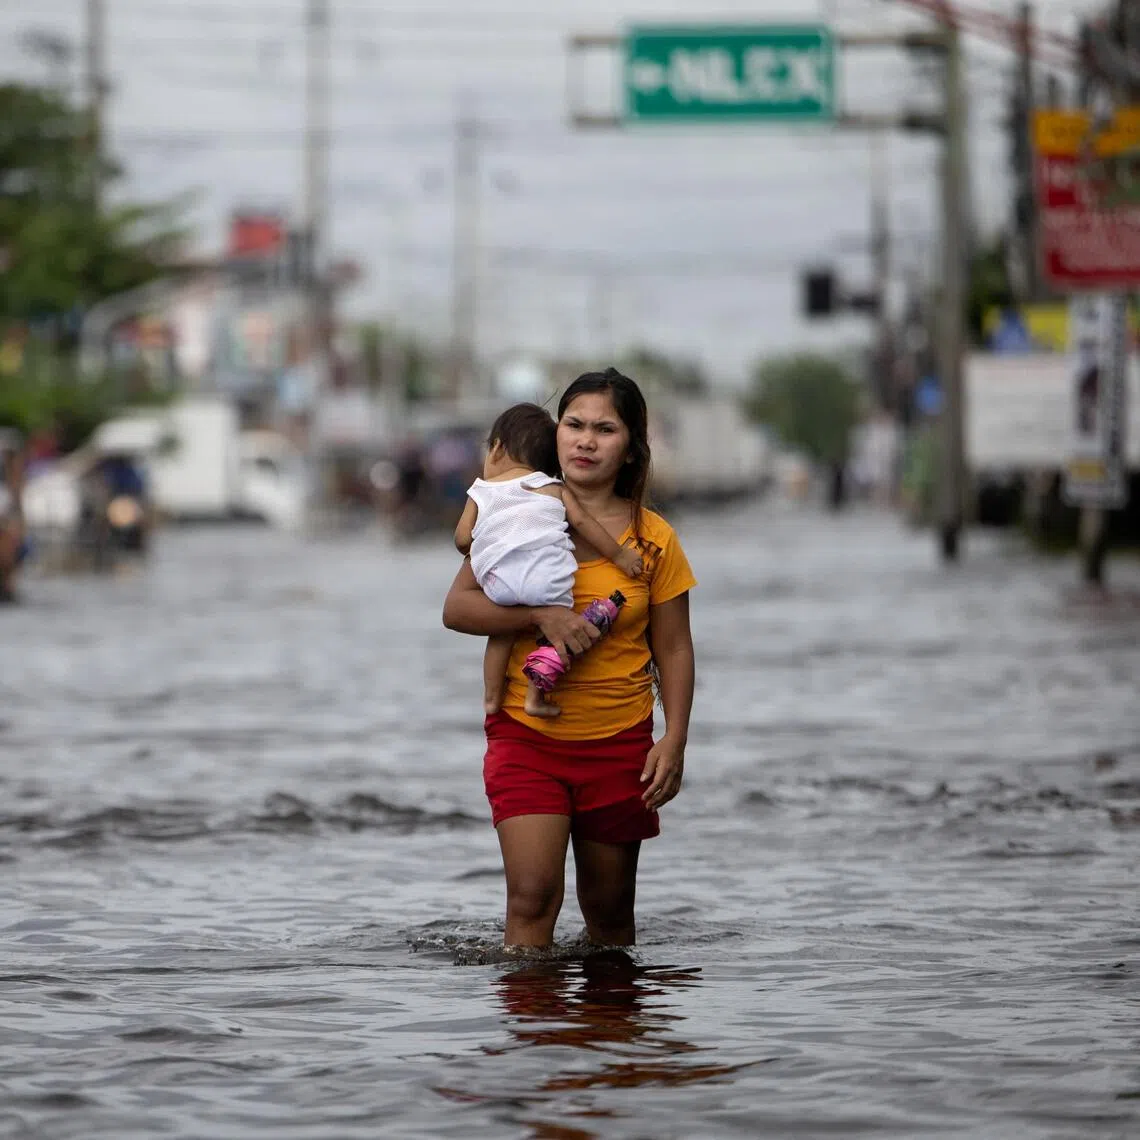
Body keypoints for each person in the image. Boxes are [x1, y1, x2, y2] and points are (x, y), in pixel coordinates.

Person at [442, 367, 697, 949]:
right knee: (532, 899)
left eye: (605, 429)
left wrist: (675, 738)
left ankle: (609, 1036)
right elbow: (457, 608)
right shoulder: (518, 514)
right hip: (525, 739)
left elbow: (675, 647)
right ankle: (534, 1035)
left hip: (620, 746)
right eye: (574, 424)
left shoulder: (654, 540)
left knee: (608, 918)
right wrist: (538, 617)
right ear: (554, 435)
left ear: (631, 448)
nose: (585, 440)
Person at [453, 402, 645, 718]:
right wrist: (620, 555)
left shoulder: (482, 491)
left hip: (499, 583)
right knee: (557, 630)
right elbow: (582, 523)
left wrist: (482, 547)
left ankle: (490, 697)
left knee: (501, 633)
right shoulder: (552, 487)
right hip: (547, 582)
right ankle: (535, 696)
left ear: (497, 449)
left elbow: (462, 539)